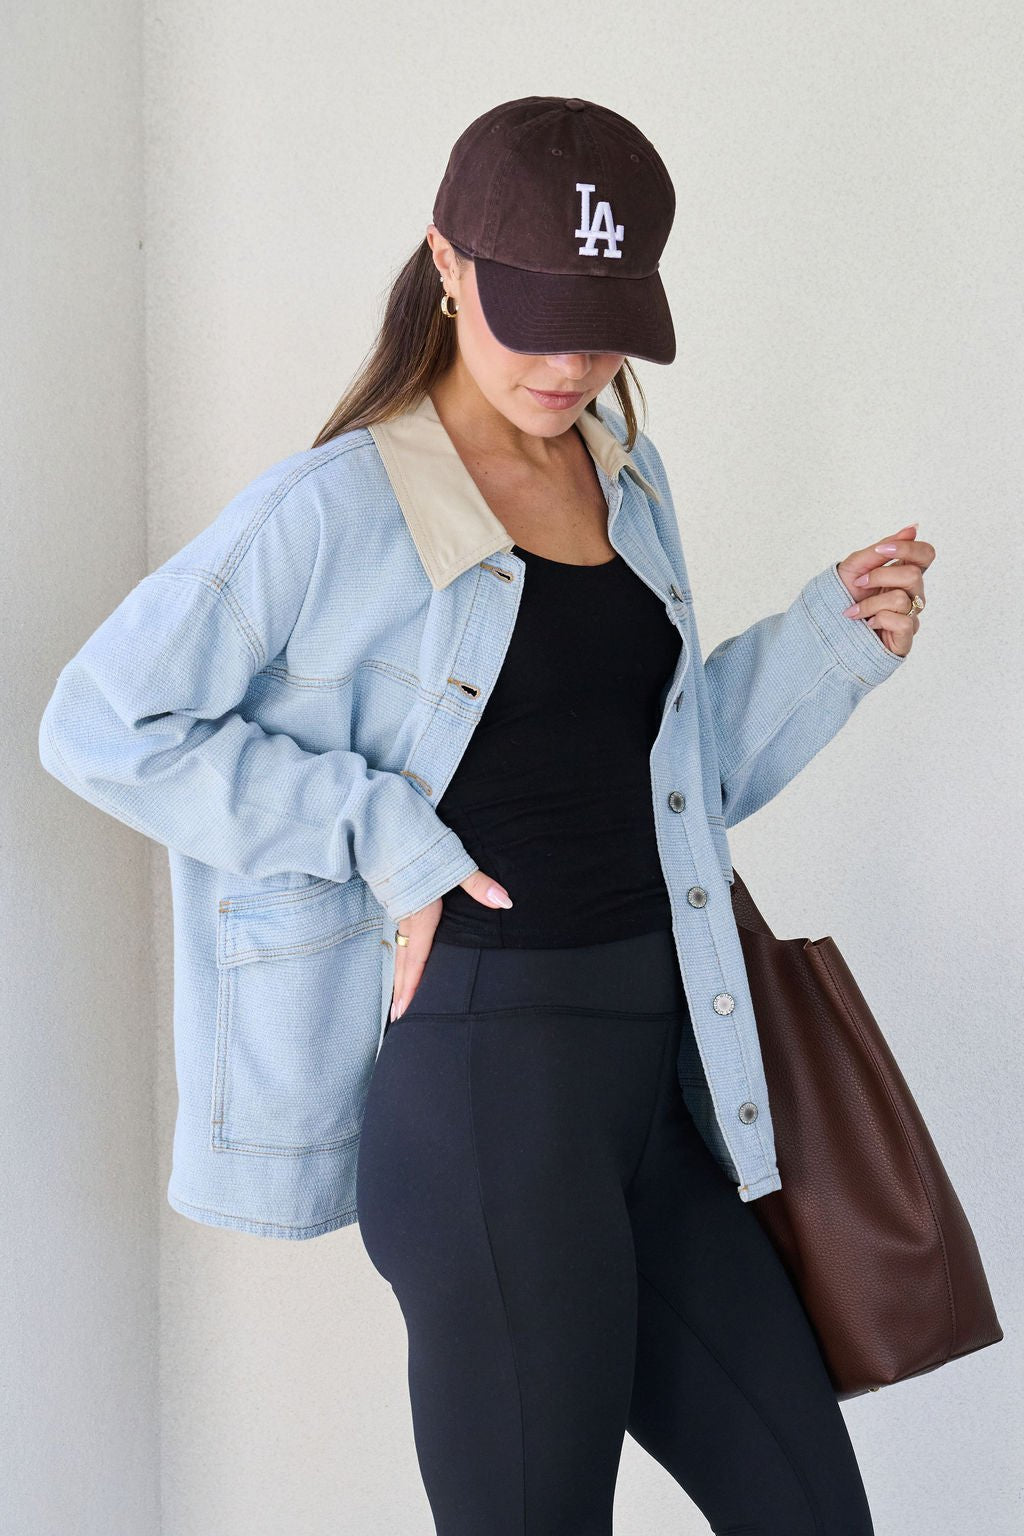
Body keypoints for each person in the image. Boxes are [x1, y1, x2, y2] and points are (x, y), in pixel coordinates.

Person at [39, 95, 930, 1534]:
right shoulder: (333, 512)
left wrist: (831, 647)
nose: (572, 364)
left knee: (814, 1511)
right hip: (488, 1100)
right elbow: (99, 725)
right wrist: (378, 830)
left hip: (660, 1093)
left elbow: (669, 782)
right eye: (534, 317)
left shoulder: (626, 480)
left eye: (604, 326)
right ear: (446, 263)